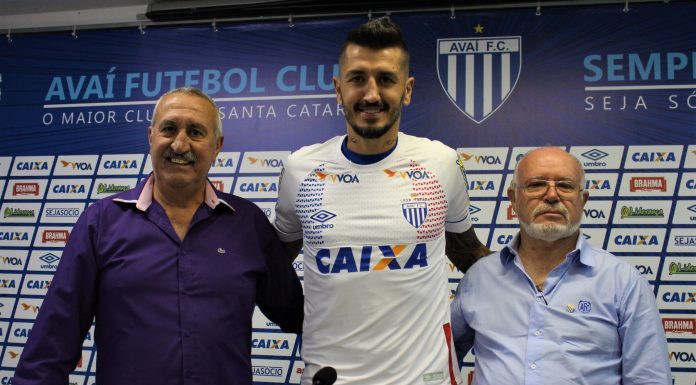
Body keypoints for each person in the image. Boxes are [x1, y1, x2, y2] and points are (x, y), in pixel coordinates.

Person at [13, 87, 304, 385]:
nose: (179, 144)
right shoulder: (100, 223)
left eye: (195, 132)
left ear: (217, 146)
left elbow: (300, 315)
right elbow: (52, 340)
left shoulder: (248, 224)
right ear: (151, 136)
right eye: (169, 129)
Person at [274, 17, 489, 385]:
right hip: (330, 377)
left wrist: (535, 275)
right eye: (357, 79)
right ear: (338, 89)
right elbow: (272, 264)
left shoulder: (441, 163)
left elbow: (468, 253)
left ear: (406, 90)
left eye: (386, 80)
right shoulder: (299, 169)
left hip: (426, 378)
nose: (371, 94)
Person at [450, 147, 671, 385]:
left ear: (582, 200)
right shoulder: (479, 278)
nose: (552, 195)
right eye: (536, 185)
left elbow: (650, 378)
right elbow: (441, 362)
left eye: (565, 186)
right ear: (513, 198)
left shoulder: (623, 282)